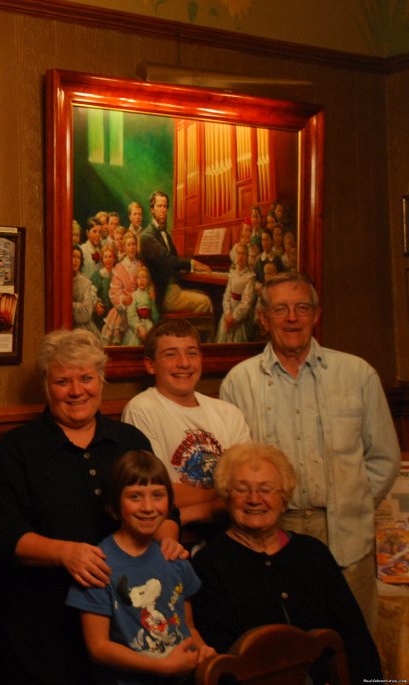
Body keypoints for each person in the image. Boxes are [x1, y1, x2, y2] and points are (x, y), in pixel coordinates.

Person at [0, 328, 184, 685]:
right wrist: (64, 553)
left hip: (127, 621)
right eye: (63, 381)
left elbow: (167, 510)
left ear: (101, 381)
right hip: (42, 626)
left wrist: (166, 541)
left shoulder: (129, 441)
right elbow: (1, 537)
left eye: (87, 378)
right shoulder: (19, 449)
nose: (77, 391)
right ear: (47, 385)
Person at [219, 271, 401, 631]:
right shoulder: (239, 382)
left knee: (357, 647)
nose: (292, 318)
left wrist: (355, 501)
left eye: (302, 307)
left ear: (316, 314)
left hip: (345, 535)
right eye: (281, 309)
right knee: (286, 645)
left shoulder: (357, 374)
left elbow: (384, 458)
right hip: (271, 534)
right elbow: (233, 469)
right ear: (263, 318)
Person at [191, 442, 382, 683]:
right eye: (241, 489)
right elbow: (222, 660)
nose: (254, 499)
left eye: (266, 489)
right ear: (227, 497)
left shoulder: (313, 554)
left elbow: (355, 640)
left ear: (284, 498)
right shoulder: (209, 564)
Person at [67, 451, 215, 684]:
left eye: (157, 495)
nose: (148, 507)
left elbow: (188, 627)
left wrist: (203, 651)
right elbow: (98, 647)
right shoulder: (99, 565)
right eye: (135, 497)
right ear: (116, 504)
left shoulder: (174, 557)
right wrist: (161, 667)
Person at [121, 319, 250, 543]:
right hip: (174, 540)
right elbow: (155, 493)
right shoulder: (143, 409)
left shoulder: (228, 413)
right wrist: (221, 500)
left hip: (232, 536)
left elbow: (249, 485)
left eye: (191, 353)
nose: (184, 363)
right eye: (171, 354)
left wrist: (201, 504)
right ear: (151, 365)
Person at [138, 191, 213, 315]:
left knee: (204, 294)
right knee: (206, 301)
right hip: (163, 294)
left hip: (173, 288)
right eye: (159, 206)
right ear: (152, 209)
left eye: (165, 206)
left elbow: (175, 259)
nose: (163, 210)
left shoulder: (165, 234)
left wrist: (192, 268)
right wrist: (192, 263)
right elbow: (168, 260)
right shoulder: (147, 236)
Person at [215, 242, 256, 343]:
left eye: (243, 254)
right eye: (238, 253)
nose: (240, 257)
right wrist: (228, 313)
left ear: (246, 257)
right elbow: (227, 295)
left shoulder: (250, 277)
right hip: (228, 314)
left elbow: (247, 302)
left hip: (240, 316)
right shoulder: (233, 273)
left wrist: (234, 318)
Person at [122, 265, 157, 346]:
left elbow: (155, 316)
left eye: (144, 277)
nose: (141, 280)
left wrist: (152, 301)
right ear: (136, 280)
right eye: (139, 277)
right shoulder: (134, 295)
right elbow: (131, 314)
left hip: (149, 326)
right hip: (137, 327)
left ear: (148, 280)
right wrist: (139, 327)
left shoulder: (150, 294)